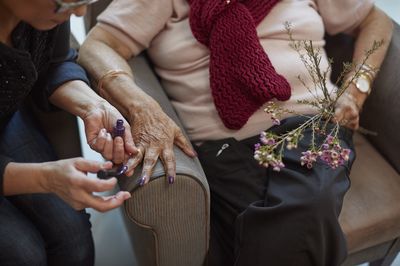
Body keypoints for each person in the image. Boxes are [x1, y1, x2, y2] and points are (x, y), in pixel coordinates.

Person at [78, 0, 393, 265]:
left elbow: (374, 18)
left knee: (308, 208)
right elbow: (98, 45)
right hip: (221, 145)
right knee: (279, 227)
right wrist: (140, 105)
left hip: (311, 124)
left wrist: (356, 89)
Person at [0, 0, 136, 265]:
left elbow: (54, 61)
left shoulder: (46, 17)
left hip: (7, 120)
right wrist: (44, 179)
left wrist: (93, 107)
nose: (80, 12)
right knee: (23, 254)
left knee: (74, 240)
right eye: (66, 2)